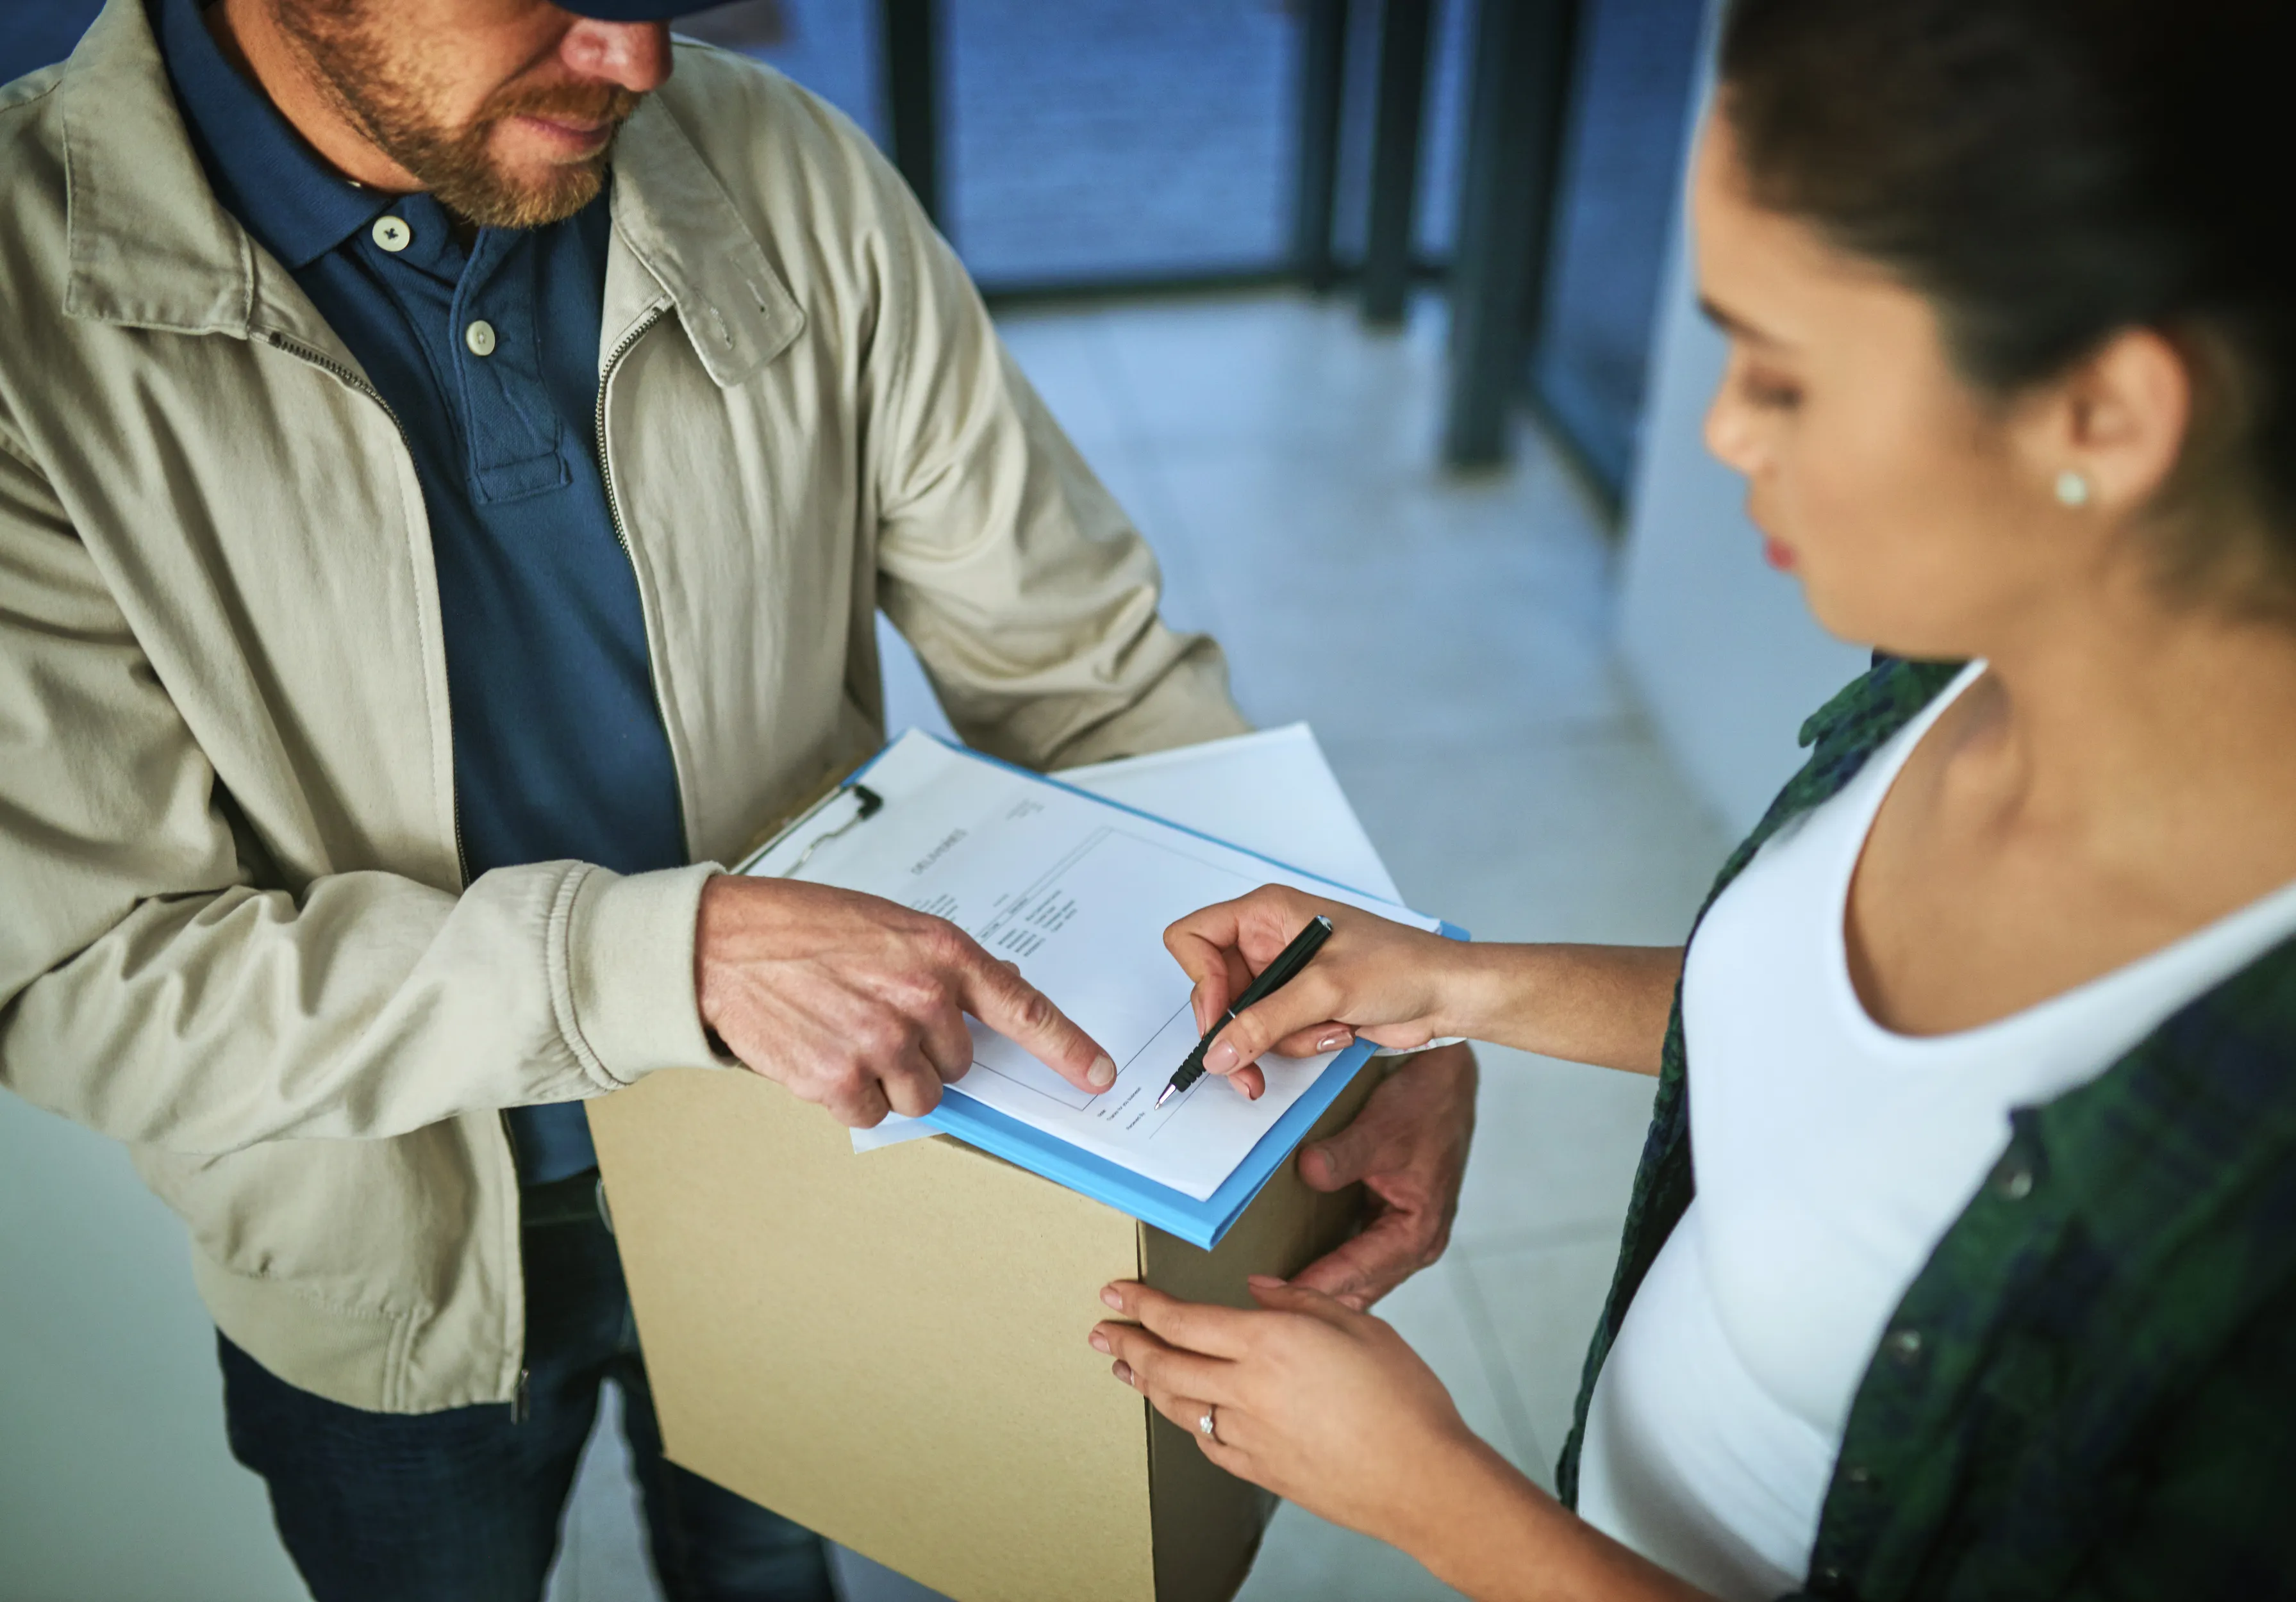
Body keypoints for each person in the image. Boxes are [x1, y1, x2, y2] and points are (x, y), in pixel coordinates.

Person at [0, 1, 1481, 1596]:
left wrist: (1361, 989)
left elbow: (1090, 669)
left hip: (818, 1174)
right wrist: (670, 959)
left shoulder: (776, 163)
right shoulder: (27, 308)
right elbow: (86, 973)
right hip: (382, 1258)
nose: (636, 59)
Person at [1090, 0, 2296, 1596]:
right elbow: (1863, 1069)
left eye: (1782, 376)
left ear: (2107, 415)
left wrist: (1441, 1501)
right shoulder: (1958, 661)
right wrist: (1460, 985)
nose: (1721, 428)